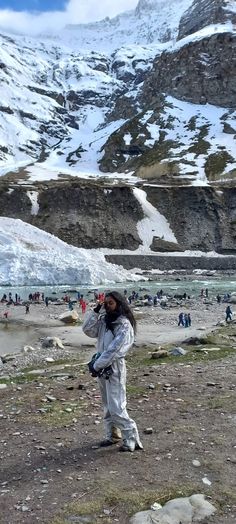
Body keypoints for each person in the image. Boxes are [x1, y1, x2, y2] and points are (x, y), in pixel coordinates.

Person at [82, 291, 143, 453]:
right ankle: (112, 435)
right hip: (102, 369)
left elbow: (116, 350)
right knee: (107, 406)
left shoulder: (123, 324)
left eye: (111, 303)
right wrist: (96, 311)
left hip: (114, 369)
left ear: (119, 304)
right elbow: (87, 330)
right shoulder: (104, 321)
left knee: (116, 405)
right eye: (106, 303)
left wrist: (96, 365)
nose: (108, 306)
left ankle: (131, 437)